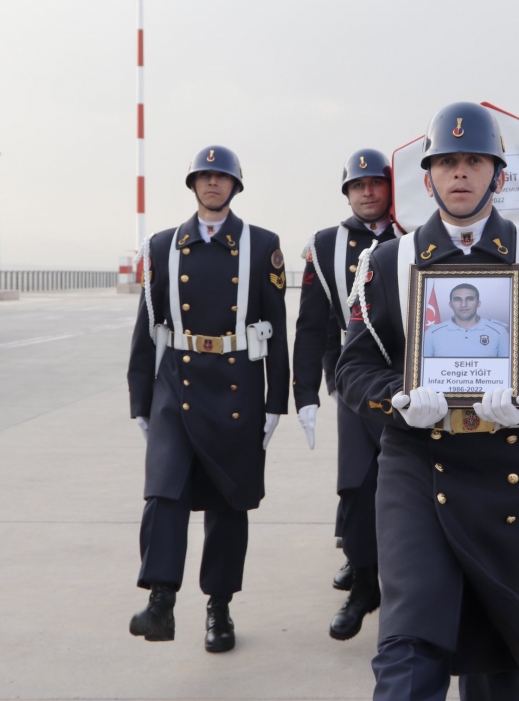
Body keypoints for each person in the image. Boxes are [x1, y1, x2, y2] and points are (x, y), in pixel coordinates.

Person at [335, 102, 519, 700]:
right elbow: (353, 366)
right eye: (446, 161)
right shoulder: (388, 261)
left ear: (498, 176)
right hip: (417, 465)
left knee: (494, 658)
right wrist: (397, 399)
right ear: (428, 177)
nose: (460, 172)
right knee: (408, 645)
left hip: (511, 470)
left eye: (475, 161)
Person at [127, 145, 289, 652]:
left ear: (235, 185)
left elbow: (277, 328)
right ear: (193, 184)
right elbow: (147, 324)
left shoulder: (262, 245)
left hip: (238, 385)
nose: (212, 183)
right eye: (204, 176)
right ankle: (160, 601)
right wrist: (138, 397)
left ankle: (219, 608)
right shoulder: (162, 246)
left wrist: (277, 401)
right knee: (164, 490)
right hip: (175, 382)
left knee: (228, 502)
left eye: (221, 177)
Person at [293, 148, 397, 640]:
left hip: (410, 376)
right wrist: (306, 392)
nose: (368, 192)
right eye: (358, 185)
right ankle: (363, 584)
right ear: (347, 193)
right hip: (355, 379)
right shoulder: (324, 245)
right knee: (357, 483)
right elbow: (311, 324)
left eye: (376, 183)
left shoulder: (417, 233)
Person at [423, 283, 510, 357]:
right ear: (450, 304)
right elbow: (424, 369)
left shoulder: (499, 332)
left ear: (478, 303)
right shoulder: (432, 333)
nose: (463, 305)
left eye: (469, 299)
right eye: (457, 299)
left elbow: (508, 369)